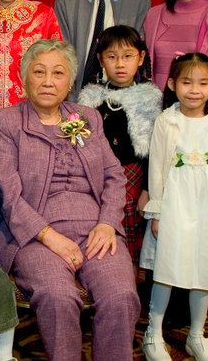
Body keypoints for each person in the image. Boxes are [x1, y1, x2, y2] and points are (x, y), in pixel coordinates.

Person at [0, 39, 140, 360]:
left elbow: (114, 176)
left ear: (70, 82)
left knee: (121, 295)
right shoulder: (7, 122)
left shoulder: (88, 117)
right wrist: (49, 237)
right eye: (39, 72)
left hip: (95, 231)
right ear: (23, 77)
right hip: (34, 235)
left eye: (58, 73)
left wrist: (107, 224)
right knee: (58, 297)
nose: (48, 81)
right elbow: (6, 193)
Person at [140, 53, 208, 361]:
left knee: (204, 268)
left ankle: (197, 335)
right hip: (175, 207)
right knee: (166, 268)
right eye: (186, 82)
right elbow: (156, 170)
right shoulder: (166, 121)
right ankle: (153, 333)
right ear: (173, 84)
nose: (194, 90)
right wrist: (157, 213)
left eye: (202, 83)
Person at [78, 25, 162, 269]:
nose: (120, 64)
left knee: (131, 239)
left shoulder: (150, 99)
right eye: (112, 57)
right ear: (100, 59)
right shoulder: (90, 98)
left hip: (134, 176)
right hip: (98, 177)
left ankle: (130, 281)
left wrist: (148, 191)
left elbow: (156, 153)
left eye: (128, 56)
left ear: (141, 57)